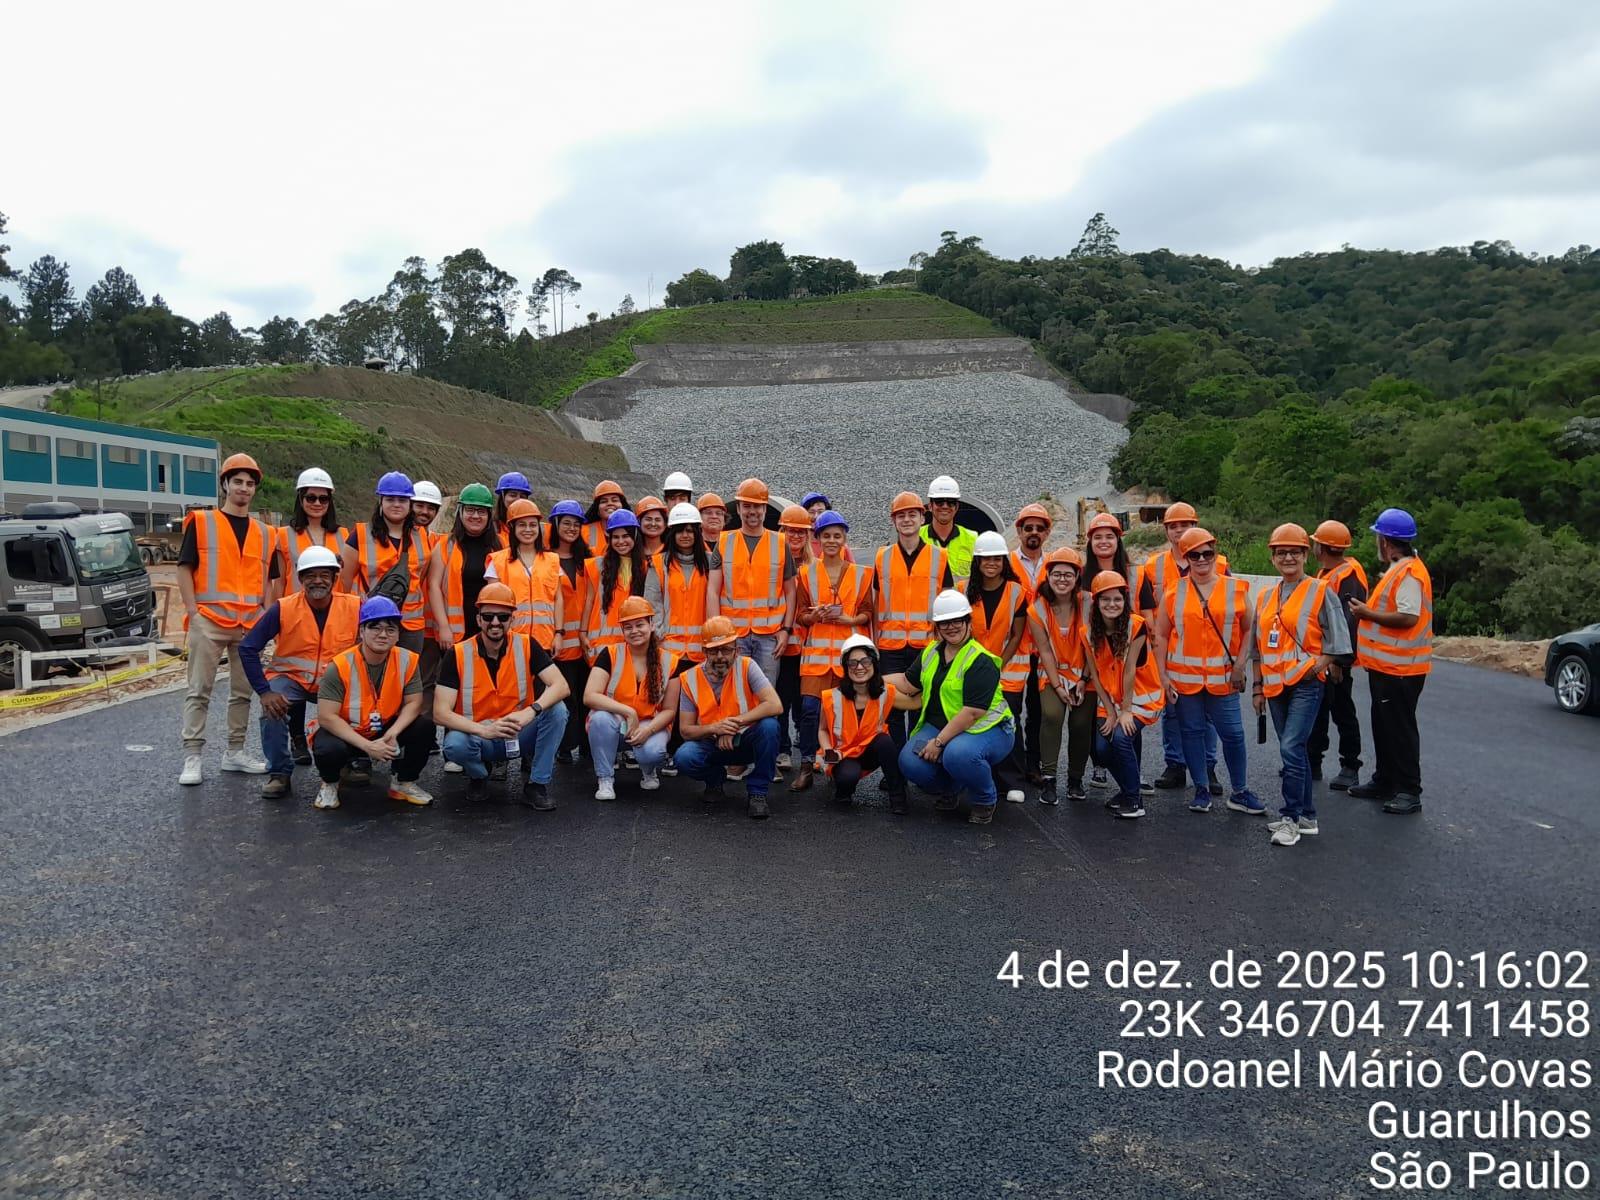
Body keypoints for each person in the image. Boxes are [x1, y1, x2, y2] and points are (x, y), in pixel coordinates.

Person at [1252, 524, 1354, 846]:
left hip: (1306, 684)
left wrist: (1318, 666)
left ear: (1306, 555)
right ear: (1272, 557)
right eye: (1281, 552)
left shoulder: (1321, 591)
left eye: (1295, 552)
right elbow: (1258, 648)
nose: (1288, 558)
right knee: (1293, 750)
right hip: (1274, 686)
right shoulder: (1266, 597)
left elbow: (1340, 640)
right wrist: (1257, 688)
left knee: (1291, 747)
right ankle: (1307, 816)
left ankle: (1291, 818)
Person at [176, 451, 273, 785]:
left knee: (242, 692)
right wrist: (193, 612)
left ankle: (234, 752)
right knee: (199, 689)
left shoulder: (265, 532)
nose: (244, 488)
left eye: (249, 483)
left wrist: (265, 613)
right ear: (225, 485)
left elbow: (269, 578)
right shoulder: (202, 523)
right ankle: (192, 756)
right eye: (238, 482)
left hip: (249, 624)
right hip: (210, 620)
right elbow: (184, 568)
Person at [1155, 527, 1264, 816]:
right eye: (1195, 555)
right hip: (1184, 680)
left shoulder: (1235, 589)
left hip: (1224, 679)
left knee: (1233, 734)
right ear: (1186, 557)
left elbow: (1249, 629)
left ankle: (1240, 791)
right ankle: (1201, 789)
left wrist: (1240, 665)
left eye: (1207, 553)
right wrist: (1163, 676)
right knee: (1191, 733)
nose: (1202, 559)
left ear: (1215, 554)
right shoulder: (1173, 591)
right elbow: (1161, 635)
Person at [238, 545, 362, 797]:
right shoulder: (283, 608)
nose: (318, 581)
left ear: (334, 578)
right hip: (290, 678)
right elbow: (248, 647)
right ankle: (279, 773)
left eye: (324, 575)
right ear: (301, 578)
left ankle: (350, 761)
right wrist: (264, 692)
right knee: (271, 712)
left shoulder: (355, 606)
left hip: (335, 680)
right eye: (310, 575)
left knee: (361, 704)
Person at [434, 582, 571, 807]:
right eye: (488, 616)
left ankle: (537, 785)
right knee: (454, 744)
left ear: (512, 620)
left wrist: (531, 711)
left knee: (557, 710)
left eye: (503, 617)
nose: (495, 622)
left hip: (519, 732)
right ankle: (479, 776)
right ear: (478, 619)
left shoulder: (526, 644)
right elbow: (440, 713)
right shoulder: (457, 654)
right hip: (480, 737)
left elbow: (561, 686)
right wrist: (484, 731)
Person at [889, 589, 1014, 824]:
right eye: (944, 622)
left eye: (957, 620)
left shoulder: (981, 660)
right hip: (944, 725)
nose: (951, 627)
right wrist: (874, 679)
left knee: (958, 755)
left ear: (968, 622)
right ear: (937, 626)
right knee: (909, 762)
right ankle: (952, 788)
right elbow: (907, 683)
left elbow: (972, 713)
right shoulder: (932, 652)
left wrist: (939, 742)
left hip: (988, 729)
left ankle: (985, 798)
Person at [311, 596, 433, 811]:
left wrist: (393, 732)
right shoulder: (339, 665)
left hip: (384, 727)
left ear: (398, 635)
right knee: (328, 748)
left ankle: (403, 782)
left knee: (424, 727)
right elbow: (327, 717)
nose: (383, 634)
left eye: (390, 629)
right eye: (375, 627)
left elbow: (414, 703)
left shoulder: (408, 660)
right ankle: (330, 783)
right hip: (349, 730)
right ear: (361, 631)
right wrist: (368, 746)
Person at [1349, 508, 1432, 815]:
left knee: (1399, 729)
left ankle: (1409, 790)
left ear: (1385, 541)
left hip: (1401, 667)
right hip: (1388, 666)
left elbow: (1408, 617)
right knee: (1383, 726)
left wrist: (1366, 613)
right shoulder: (1400, 568)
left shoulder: (1409, 573)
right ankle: (1384, 780)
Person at [1141, 501, 1226, 794]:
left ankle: (1208, 767)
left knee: (1207, 713)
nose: (1179, 531)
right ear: (1166, 530)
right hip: (1168, 648)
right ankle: (1175, 764)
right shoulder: (1154, 565)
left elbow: (1229, 606)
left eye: (1185, 525)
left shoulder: (1219, 563)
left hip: (1205, 649)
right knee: (1173, 709)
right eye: (1173, 526)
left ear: (1196, 526)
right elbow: (1146, 606)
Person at [675, 615, 784, 819]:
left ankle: (758, 793)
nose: (720, 656)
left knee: (770, 727)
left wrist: (734, 725)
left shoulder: (747, 666)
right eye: (713, 650)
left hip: (745, 740)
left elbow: (774, 705)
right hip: (712, 744)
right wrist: (715, 728)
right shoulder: (690, 678)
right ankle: (715, 780)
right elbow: (685, 730)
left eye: (726, 649)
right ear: (704, 651)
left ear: (737, 650)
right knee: (684, 757)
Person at [794, 510, 873, 792]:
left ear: (844, 539)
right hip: (815, 660)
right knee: (809, 711)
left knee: (841, 715)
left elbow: (868, 612)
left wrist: (850, 620)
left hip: (847, 659)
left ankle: (834, 765)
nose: (831, 540)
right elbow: (800, 614)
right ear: (817, 539)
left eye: (837, 536)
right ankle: (806, 765)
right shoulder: (806, 573)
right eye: (826, 535)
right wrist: (814, 616)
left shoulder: (861, 574)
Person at [1081, 571, 1165, 819]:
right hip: (1111, 699)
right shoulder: (1087, 633)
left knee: (1120, 738)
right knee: (1102, 749)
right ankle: (1129, 789)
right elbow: (1095, 675)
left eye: (1117, 599)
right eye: (1105, 599)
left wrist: (1125, 711)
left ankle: (1133, 800)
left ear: (1124, 600)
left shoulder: (1136, 625)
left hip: (1140, 698)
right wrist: (1110, 712)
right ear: (1096, 602)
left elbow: (1129, 670)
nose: (1112, 604)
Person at [583, 596, 685, 799]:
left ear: (652, 625)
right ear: (622, 630)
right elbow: (589, 695)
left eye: (640, 624)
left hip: (650, 723)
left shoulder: (671, 661)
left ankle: (648, 770)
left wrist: (648, 730)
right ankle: (605, 779)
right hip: (617, 721)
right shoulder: (610, 654)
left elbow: (669, 710)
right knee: (599, 719)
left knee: (653, 751)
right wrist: (628, 712)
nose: (634, 631)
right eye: (628, 627)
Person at [875, 490, 954, 747]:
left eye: (912, 514)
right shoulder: (882, 557)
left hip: (926, 646)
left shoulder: (939, 557)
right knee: (892, 707)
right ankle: (896, 762)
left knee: (922, 706)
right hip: (890, 646)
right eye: (901, 516)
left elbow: (947, 601)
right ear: (893, 521)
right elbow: (875, 602)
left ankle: (915, 757)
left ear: (922, 518)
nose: (907, 520)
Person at [962, 531, 1030, 804]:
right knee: (972, 720)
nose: (991, 563)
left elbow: (1017, 634)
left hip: (1007, 668)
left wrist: (997, 664)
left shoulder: (1016, 592)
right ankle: (976, 775)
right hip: (971, 668)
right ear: (977, 562)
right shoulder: (963, 590)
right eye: (985, 558)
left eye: (997, 559)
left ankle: (1011, 780)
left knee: (1008, 721)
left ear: (1004, 561)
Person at [1307, 519, 1369, 790]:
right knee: (1318, 712)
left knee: (1342, 711)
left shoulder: (1348, 577)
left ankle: (1350, 766)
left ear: (1321, 547)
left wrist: (1339, 661)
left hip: (1335, 660)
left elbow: (1348, 621)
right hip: (1322, 656)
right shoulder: (1327, 572)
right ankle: (1312, 761)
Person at [1028, 547, 1093, 804]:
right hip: (1051, 674)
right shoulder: (1037, 609)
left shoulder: (1090, 603)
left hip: (1084, 675)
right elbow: (1044, 650)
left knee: (1080, 724)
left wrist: (1083, 680)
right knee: (1052, 716)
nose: (1062, 579)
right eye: (1057, 574)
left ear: (1077, 577)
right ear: (1048, 576)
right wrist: (1057, 687)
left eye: (1068, 574)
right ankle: (1049, 779)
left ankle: (1075, 779)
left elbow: (1095, 646)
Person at [718, 478, 797, 684]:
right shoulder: (724, 542)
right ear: (738, 509)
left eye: (757, 506)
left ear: (765, 509)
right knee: (735, 691)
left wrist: (786, 630)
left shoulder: (780, 543)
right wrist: (717, 632)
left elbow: (790, 591)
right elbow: (712, 590)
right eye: (747, 506)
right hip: (734, 635)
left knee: (765, 693)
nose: (752, 511)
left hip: (769, 636)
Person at [1083, 511, 1139, 792]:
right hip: (1092, 656)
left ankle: (1134, 776)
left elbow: (1146, 613)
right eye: (1098, 537)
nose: (1104, 542)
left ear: (1119, 540)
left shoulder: (1134, 573)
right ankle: (1100, 766)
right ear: (1090, 542)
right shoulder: (1082, 575)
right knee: (1097, 719)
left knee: (1127, 725)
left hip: (1126, 656)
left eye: (1109, 536)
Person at [818, 634, 906, 811]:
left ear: (874, 664)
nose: (859, 667)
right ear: (846, 667)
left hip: (871, 752)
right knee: (848, 776)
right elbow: (822, 729)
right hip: (844, 755)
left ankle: (898, 798)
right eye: (853, 663)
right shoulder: (831, 697)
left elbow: (916, 702)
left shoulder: (886, 692)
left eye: (865, 661)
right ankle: (843, 792)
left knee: (885, 741)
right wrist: (828, 751)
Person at [341, 471, 429, 649]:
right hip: (373, 621)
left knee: (407, 667)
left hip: (411, 625)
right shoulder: (360, 535)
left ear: (410, 504)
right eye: (390, 499)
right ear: (381, 501)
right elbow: (344, 582)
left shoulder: (420, 535)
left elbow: (420, 576)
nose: (396, 504)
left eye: (402, 500)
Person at [644, 502, 722, 664]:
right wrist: (658, 634)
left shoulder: (711, 562)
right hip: (668, 651)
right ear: (672, 533)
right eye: (679, 531)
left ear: (697, 532)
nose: (685, 535)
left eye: (689, 530)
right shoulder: (658, 564)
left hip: (703, 651)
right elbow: (652, 604)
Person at [427, 483, 502, 650]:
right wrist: (443, 627)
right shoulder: (445, 546)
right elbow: (433, 586)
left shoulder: (501, 546)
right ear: (460, 512)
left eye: (481, 511)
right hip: (455, 632)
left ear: (489, 515)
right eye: (470, 510)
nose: (475, 516)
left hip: (492, 629)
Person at [1009, 503, 1051, 787]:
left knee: (1037, 712)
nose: (1033, 532)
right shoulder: (1006, 563)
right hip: (1014, 649)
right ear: (1019, 531)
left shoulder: (1055, 565)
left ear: (1047, 533)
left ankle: (1034, 764)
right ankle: (1013, 765)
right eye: (1028, 528)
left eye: (1039, 528)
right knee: (1010, 711)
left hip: (1043, 650)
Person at [547, 499, 592, 763]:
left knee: (588, 695)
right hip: (560, 641)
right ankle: (564, 746)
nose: (572, 528)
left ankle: (588, 744)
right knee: (566, 697)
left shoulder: (588, 559)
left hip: (586, 642)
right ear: (555, 524)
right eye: (566, 523)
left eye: (576, 524)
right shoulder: (546, 559)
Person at [482, 498, 558, 648]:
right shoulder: (498, 561)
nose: (528, 529)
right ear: (512, 527)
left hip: (545, 640)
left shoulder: (552, 560)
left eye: (533, 525)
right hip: (510, 640)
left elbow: (558, 599)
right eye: (522, 525)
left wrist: (559, 633)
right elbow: (492, 605)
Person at [774, 503, 814, 777]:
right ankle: (783, 749)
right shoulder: (774, 564)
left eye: (801, 532)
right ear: (782, 532)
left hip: (810, 645)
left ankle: (808, 748)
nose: (796, 536)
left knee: (805, 701)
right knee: (782, 698)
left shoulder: (815, 567)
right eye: (791, 531)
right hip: (783, 644)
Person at [269, 467, 345, 603]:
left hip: (334, 610)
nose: (317, 503)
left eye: (323, 499)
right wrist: (276, 612)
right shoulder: (284, 535)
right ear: (300, 499)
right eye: (311, 498)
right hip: (294, 610)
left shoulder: (343, 535)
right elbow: (279, 583)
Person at [584, 509, 647, 666]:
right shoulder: (596, 565)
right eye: (616, 537)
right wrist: (582, 633)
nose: (621, 541)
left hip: (634, 643)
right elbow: (589, 601)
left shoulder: (647, 567)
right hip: (601, 645)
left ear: (635, 536)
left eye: (625, 536)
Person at [920, 475, 977, 579]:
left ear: (957, 507)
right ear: (930, 506)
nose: (945, 506)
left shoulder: (973, 539)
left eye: (951, 502)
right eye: (939, 501)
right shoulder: (917, 538)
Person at [584, 479, 630, 555]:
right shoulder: (590, 531)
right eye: (604, 501)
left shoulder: (633, 530)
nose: (610, 503)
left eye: (614, 500)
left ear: (623, 506)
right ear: (597, 509)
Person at [492, 471, 533, 541]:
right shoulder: (490, 528)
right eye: (513, 495)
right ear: (502, 497)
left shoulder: (534, 529)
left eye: (522, 496)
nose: (518, 500)